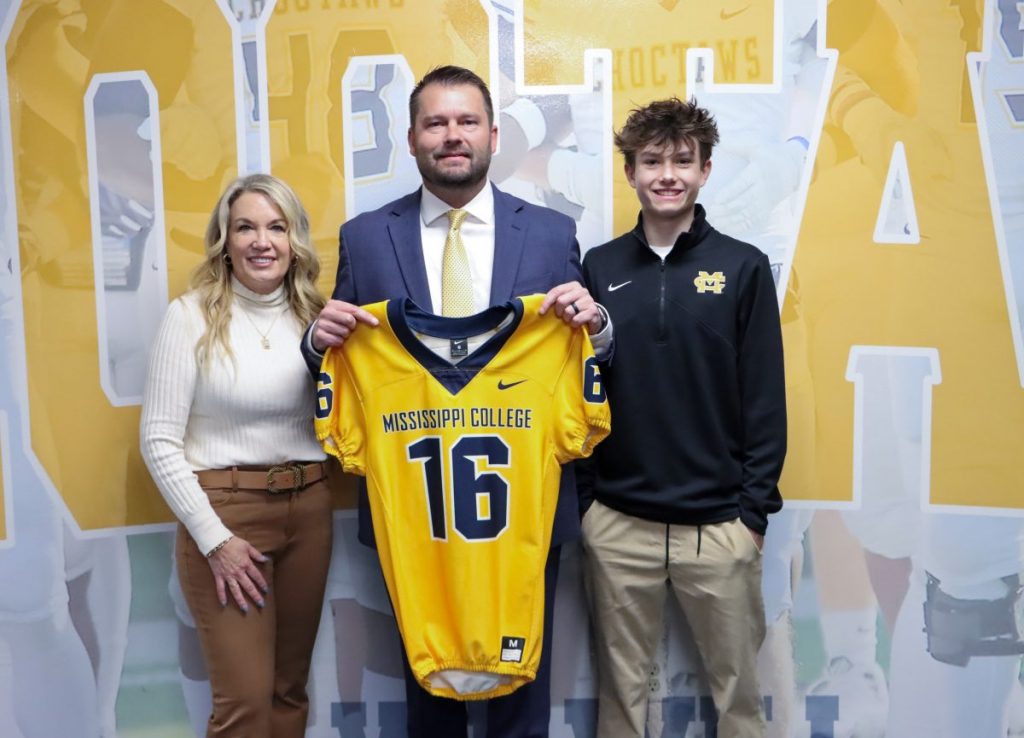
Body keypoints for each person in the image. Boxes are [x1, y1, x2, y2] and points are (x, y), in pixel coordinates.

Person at [302, 64, 611, 738]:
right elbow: (348, 365)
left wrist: (598, 327)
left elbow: (579, 361)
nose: (452, 136)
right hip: (417, 500)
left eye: (466, 121)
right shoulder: (364, 237)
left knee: (520, 690)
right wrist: (316, 343)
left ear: (494, 135)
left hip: (518, 492)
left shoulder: (553, 234)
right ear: (411, 139)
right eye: (435, 123)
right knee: (430, 691)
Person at [579, 97, 786, 738]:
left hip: (719, 526)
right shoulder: (599, 267)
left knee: (739, 699)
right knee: (621, 698)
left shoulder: (743, 266)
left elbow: (764, 398)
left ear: (705, 171)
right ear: (630, 173)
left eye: (681, 161)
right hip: (618, 523)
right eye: (651, 161)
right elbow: (581, 388)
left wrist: (751, 514)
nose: (666, 174)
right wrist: (590, 504)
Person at [141, 174, 332, 738]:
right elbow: (158, 439)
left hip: (310, 509)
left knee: (288, 690)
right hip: (226, 517)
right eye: (244, 227)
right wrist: (215, 540)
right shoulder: (191, 316)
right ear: (223, 241)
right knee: (245, 705)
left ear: (295, 240)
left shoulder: (315, 318)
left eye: (276, 227)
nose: (261, 241)